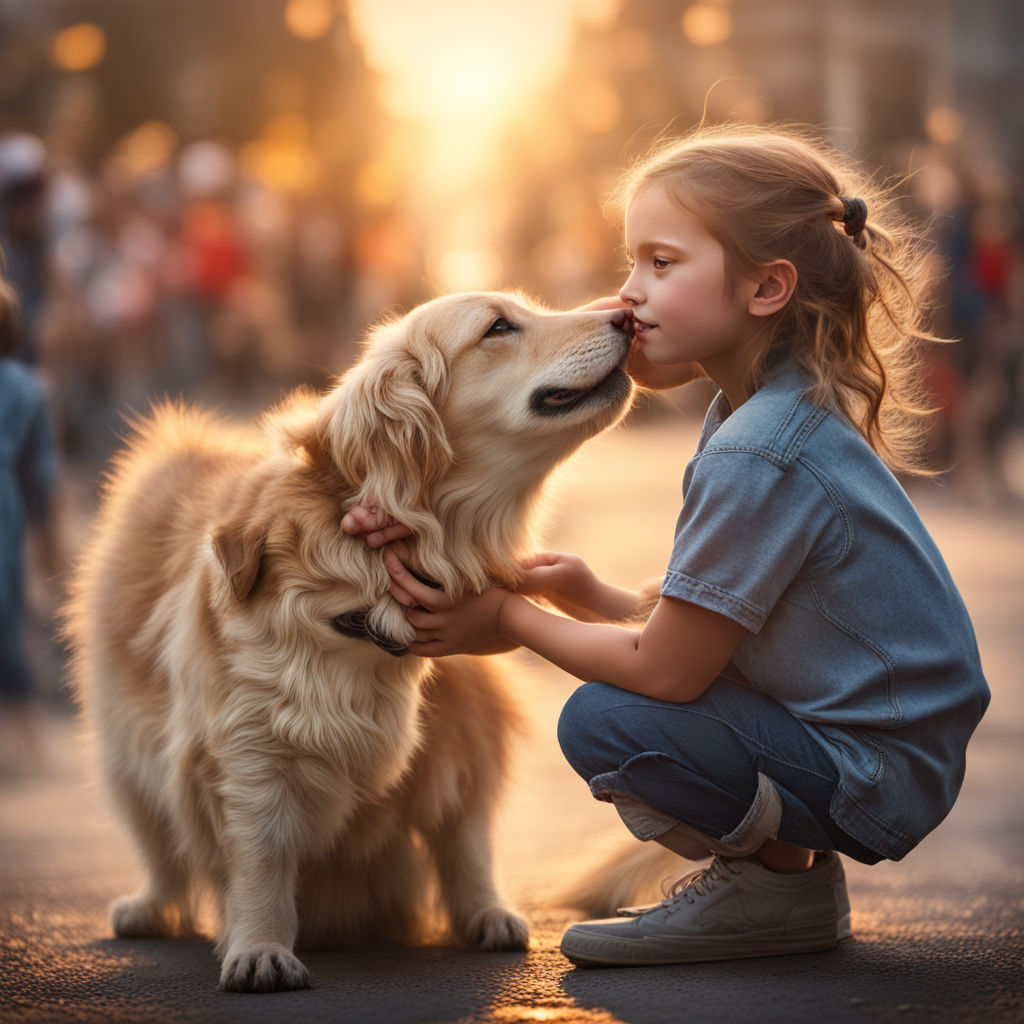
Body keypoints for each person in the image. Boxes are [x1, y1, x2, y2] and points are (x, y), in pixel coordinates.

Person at [342, 125, 990, 966]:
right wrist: (590, 597)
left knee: (612, 720)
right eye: (631, 263)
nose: (625, 297)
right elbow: (737, 622)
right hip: (884, 745)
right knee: (642, 696)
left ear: (765, 289)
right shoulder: (772, 413)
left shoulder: (758, 451)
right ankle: (786, 880)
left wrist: (509, 617)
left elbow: (668, 670)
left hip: (873, 773)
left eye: (661, 264)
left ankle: (767, 892)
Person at [0, 266, 61, 774]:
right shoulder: (25, 385)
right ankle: (27, 739)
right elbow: (42, 479)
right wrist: (52, 558)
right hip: (7, 506)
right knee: (7, 612)